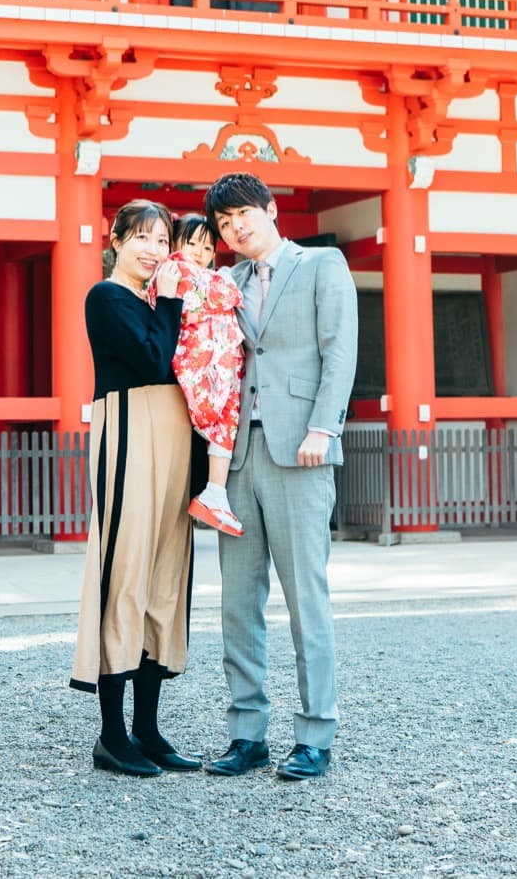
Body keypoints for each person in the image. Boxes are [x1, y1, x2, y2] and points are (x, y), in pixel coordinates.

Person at [201, 172, 357, 782]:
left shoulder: (322, 265)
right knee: (238, 601)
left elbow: (339, 350)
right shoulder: (225, 283)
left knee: (304, 599)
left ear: (268, 209)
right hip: (236, 459)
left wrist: (326, 427)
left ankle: (316, 734)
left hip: (302, 451)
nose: (234, 228)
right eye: (222, 223)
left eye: (242, 214)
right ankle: (247, 733)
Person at [69, 199, 202, 778]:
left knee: (165, 579)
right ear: (117, 240)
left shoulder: (159, 302)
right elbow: (153, 358)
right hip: (127, 431)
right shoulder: (107, 298)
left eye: (162, 239)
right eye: (142, 238)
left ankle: (148, 729)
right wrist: (171, 300)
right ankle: (111, 734)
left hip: (175, 439)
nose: (153, 250)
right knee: (125, 572)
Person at [149, 212, 245, 537]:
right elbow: (218, 296)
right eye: (192, 244)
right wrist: (230, 292)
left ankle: (215, 493)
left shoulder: (201, 274)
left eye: (207, 248)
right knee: (220, 418)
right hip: (197, 359)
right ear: (176, 243)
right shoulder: (175, 270)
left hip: (217, 363)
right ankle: (213, 492)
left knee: (227, 422)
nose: (200, 253)